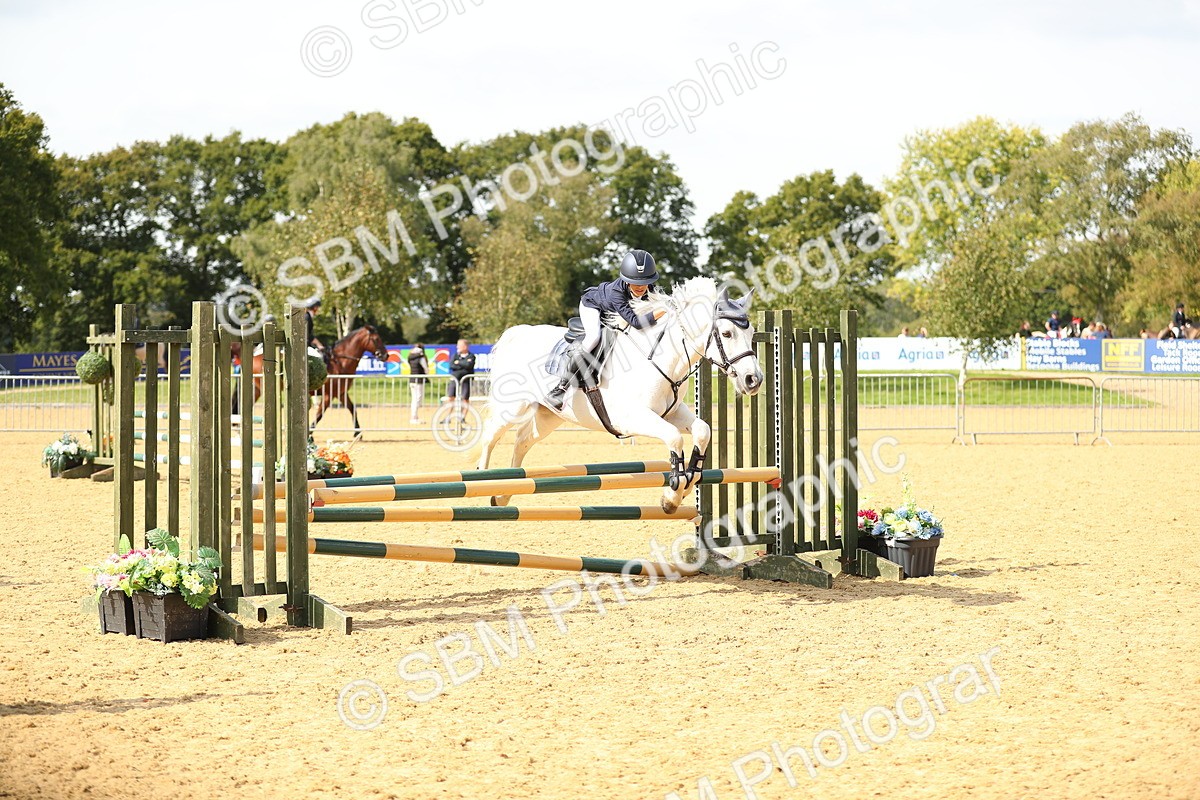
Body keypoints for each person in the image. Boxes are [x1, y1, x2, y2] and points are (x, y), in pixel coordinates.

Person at [546, 250, 665, 411]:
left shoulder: (648, 288)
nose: (641, 287)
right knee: (594, 337)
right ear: (626, 280)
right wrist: (664, 309)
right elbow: (637, 322)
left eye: (645, 282)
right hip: (593, 306)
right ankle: (561, 388)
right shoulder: (617, 293)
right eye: (635, 283)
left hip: (613, 313)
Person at [446, 339, 476, 419]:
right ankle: (448, 416)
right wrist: (464, 364)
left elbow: (469, 366)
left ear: (465, 346)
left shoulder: (471, 356)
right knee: (450, 397)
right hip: (455, 379)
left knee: (465, 398)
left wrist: (458, 363)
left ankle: (462, 417)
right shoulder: (455, 355)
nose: (457, 347)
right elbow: (452, 365)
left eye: (459, 345)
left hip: (466, 380)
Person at [407, 343, 428, 423]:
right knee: (418, 398)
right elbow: (425, 368)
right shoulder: (421, 357)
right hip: (419, 379)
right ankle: (414, 416)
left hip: (412, 379)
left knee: (414, 398)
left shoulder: (410, 357)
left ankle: (414, 415)